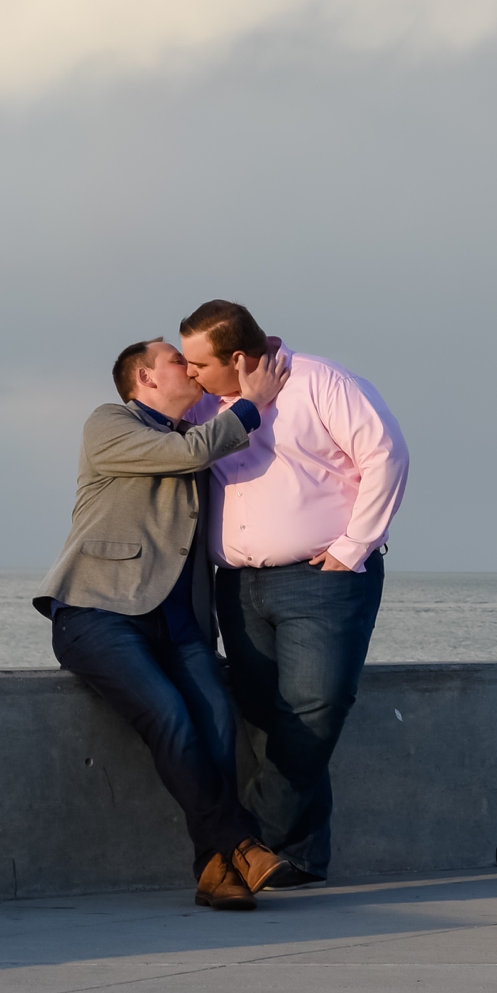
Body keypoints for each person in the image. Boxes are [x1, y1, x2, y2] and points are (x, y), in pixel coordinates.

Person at [34, 336, 294, 911]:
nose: (190, 365)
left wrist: (247, 352)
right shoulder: (110, 423)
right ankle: (241, 844)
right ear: (145, 380)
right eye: (177, 360)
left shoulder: (191, 434)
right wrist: (253, 404)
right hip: (97, 611)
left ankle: (212, 871)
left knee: (218, 724)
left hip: (178, 624)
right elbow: (186, 455)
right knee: (167, 714)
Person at [178, 299, 408, 884]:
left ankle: (242, 843)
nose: (189, 373)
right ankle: (301, 856)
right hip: (238, 584)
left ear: (236, 356)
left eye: (198, 363)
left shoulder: (320, 381)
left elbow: (386, 455)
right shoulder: (207, 400)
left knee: (314, 709)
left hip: (320, 580)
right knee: (262, 716)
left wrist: (351, 549)